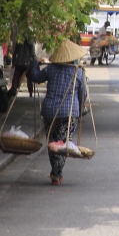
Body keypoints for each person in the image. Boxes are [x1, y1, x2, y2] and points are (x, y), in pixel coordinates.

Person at [26, 39, 88, 185]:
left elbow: (35, 77)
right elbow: (82, 94)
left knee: (52, 142)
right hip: (69, 113)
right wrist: (80, 109)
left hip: (50, 112)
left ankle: (56, 172)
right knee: (62, 144)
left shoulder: (50, 69)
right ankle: (56, 172)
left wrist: (35, 62)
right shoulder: (78, 72)